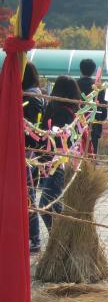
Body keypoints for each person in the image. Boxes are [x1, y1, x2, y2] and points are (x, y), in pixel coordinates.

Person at [37, 75, 81, 232]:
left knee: (46, 204)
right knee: (54, 203)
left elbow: (57, 139)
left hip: (59, 163)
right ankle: (59, 240)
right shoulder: (68, 110)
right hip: (58, 162)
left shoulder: (61, 112)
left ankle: (59, 238)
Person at [22, 61, 45, 253]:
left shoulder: (29, 97)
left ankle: (34, 238)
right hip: (35, 154)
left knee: (27, 196)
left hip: (27, 154)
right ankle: (33, 238)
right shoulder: (39, 93)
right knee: (28, 196)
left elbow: (31, 129)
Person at [76, 58, 108, 154]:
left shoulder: (75, 84)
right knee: (92, 150)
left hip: (77, 121)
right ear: (94, 70)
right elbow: (103, 105)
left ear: (81, 70)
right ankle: (89, 167)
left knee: (76, 147)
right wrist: (101, 118)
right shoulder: (98, 86)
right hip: (94, 121)